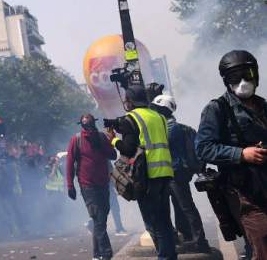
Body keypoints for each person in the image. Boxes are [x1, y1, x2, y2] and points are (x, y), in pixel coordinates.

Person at [195, 50, 267, 260]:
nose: (243, 81)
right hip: (244, 193)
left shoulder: (263, 106)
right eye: (236, 77)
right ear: (227, 81)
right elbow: (203, 148)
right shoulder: (217, 109)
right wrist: (242, 154)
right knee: (261, 245)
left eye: (248, 74)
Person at [104, 84, 177, 260]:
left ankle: (165, 257)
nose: (124, 103)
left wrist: (113, 140)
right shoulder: (159, 116)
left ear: (130, 101)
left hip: (146, 176)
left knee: (153, 223)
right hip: (165, 172)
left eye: (126, 100)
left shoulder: (131, 118)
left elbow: (128, 149)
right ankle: (170, 256)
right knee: (165, 221)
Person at [151, 94, 210, 252]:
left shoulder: (171, 127)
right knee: (179, 206)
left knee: (186, 207)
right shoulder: (168, 125)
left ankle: (200, 240)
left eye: (156, 109)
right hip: (173, 172)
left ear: (163, 110)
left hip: (175, 173)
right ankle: (189, 237)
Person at [66, 114, 117, 260]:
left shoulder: (101, 137)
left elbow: (113, 155)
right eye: (85, 125)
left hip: (103, 183)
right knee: (98, 217)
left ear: (94, 124)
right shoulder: (77, 140)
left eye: (90, 125)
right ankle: (106, 252)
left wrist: (108, 141)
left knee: (101, 218)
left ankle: (97, 253)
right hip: (87, 185)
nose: (88, 128)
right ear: (82, 126)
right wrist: (70, 185)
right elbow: (69, 163)